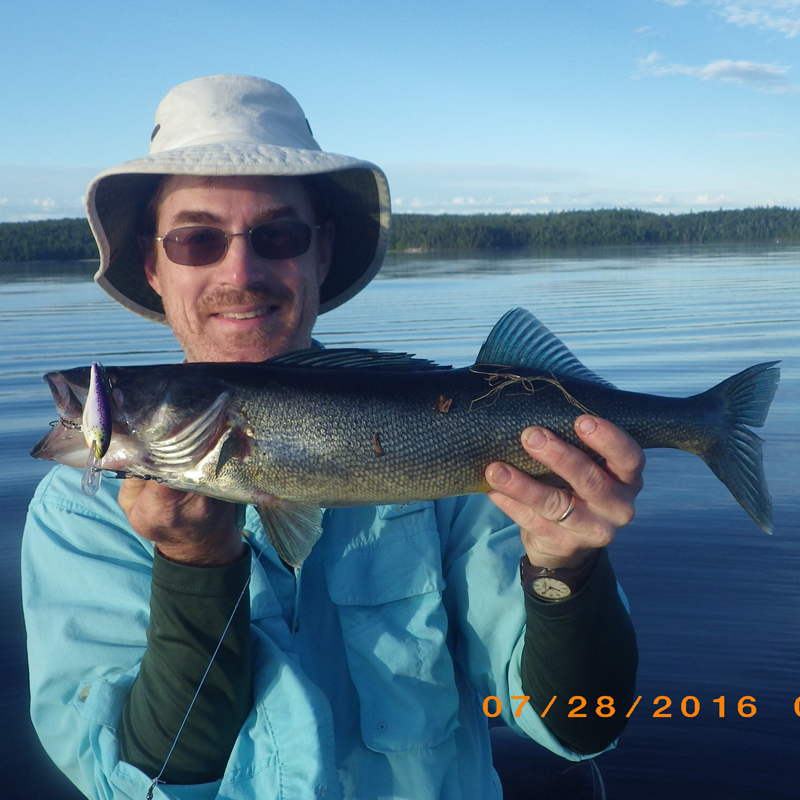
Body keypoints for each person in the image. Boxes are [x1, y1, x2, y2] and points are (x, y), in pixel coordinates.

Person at [22, 75, 641, 800]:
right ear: (154, 266)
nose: (240, 272)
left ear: (320, 254)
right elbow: (146, 781)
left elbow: (579, 726)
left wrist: (567, 568)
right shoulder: (77, 516)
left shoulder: (463, 477)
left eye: (277, 235)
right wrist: (195, 565)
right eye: (197, 239)